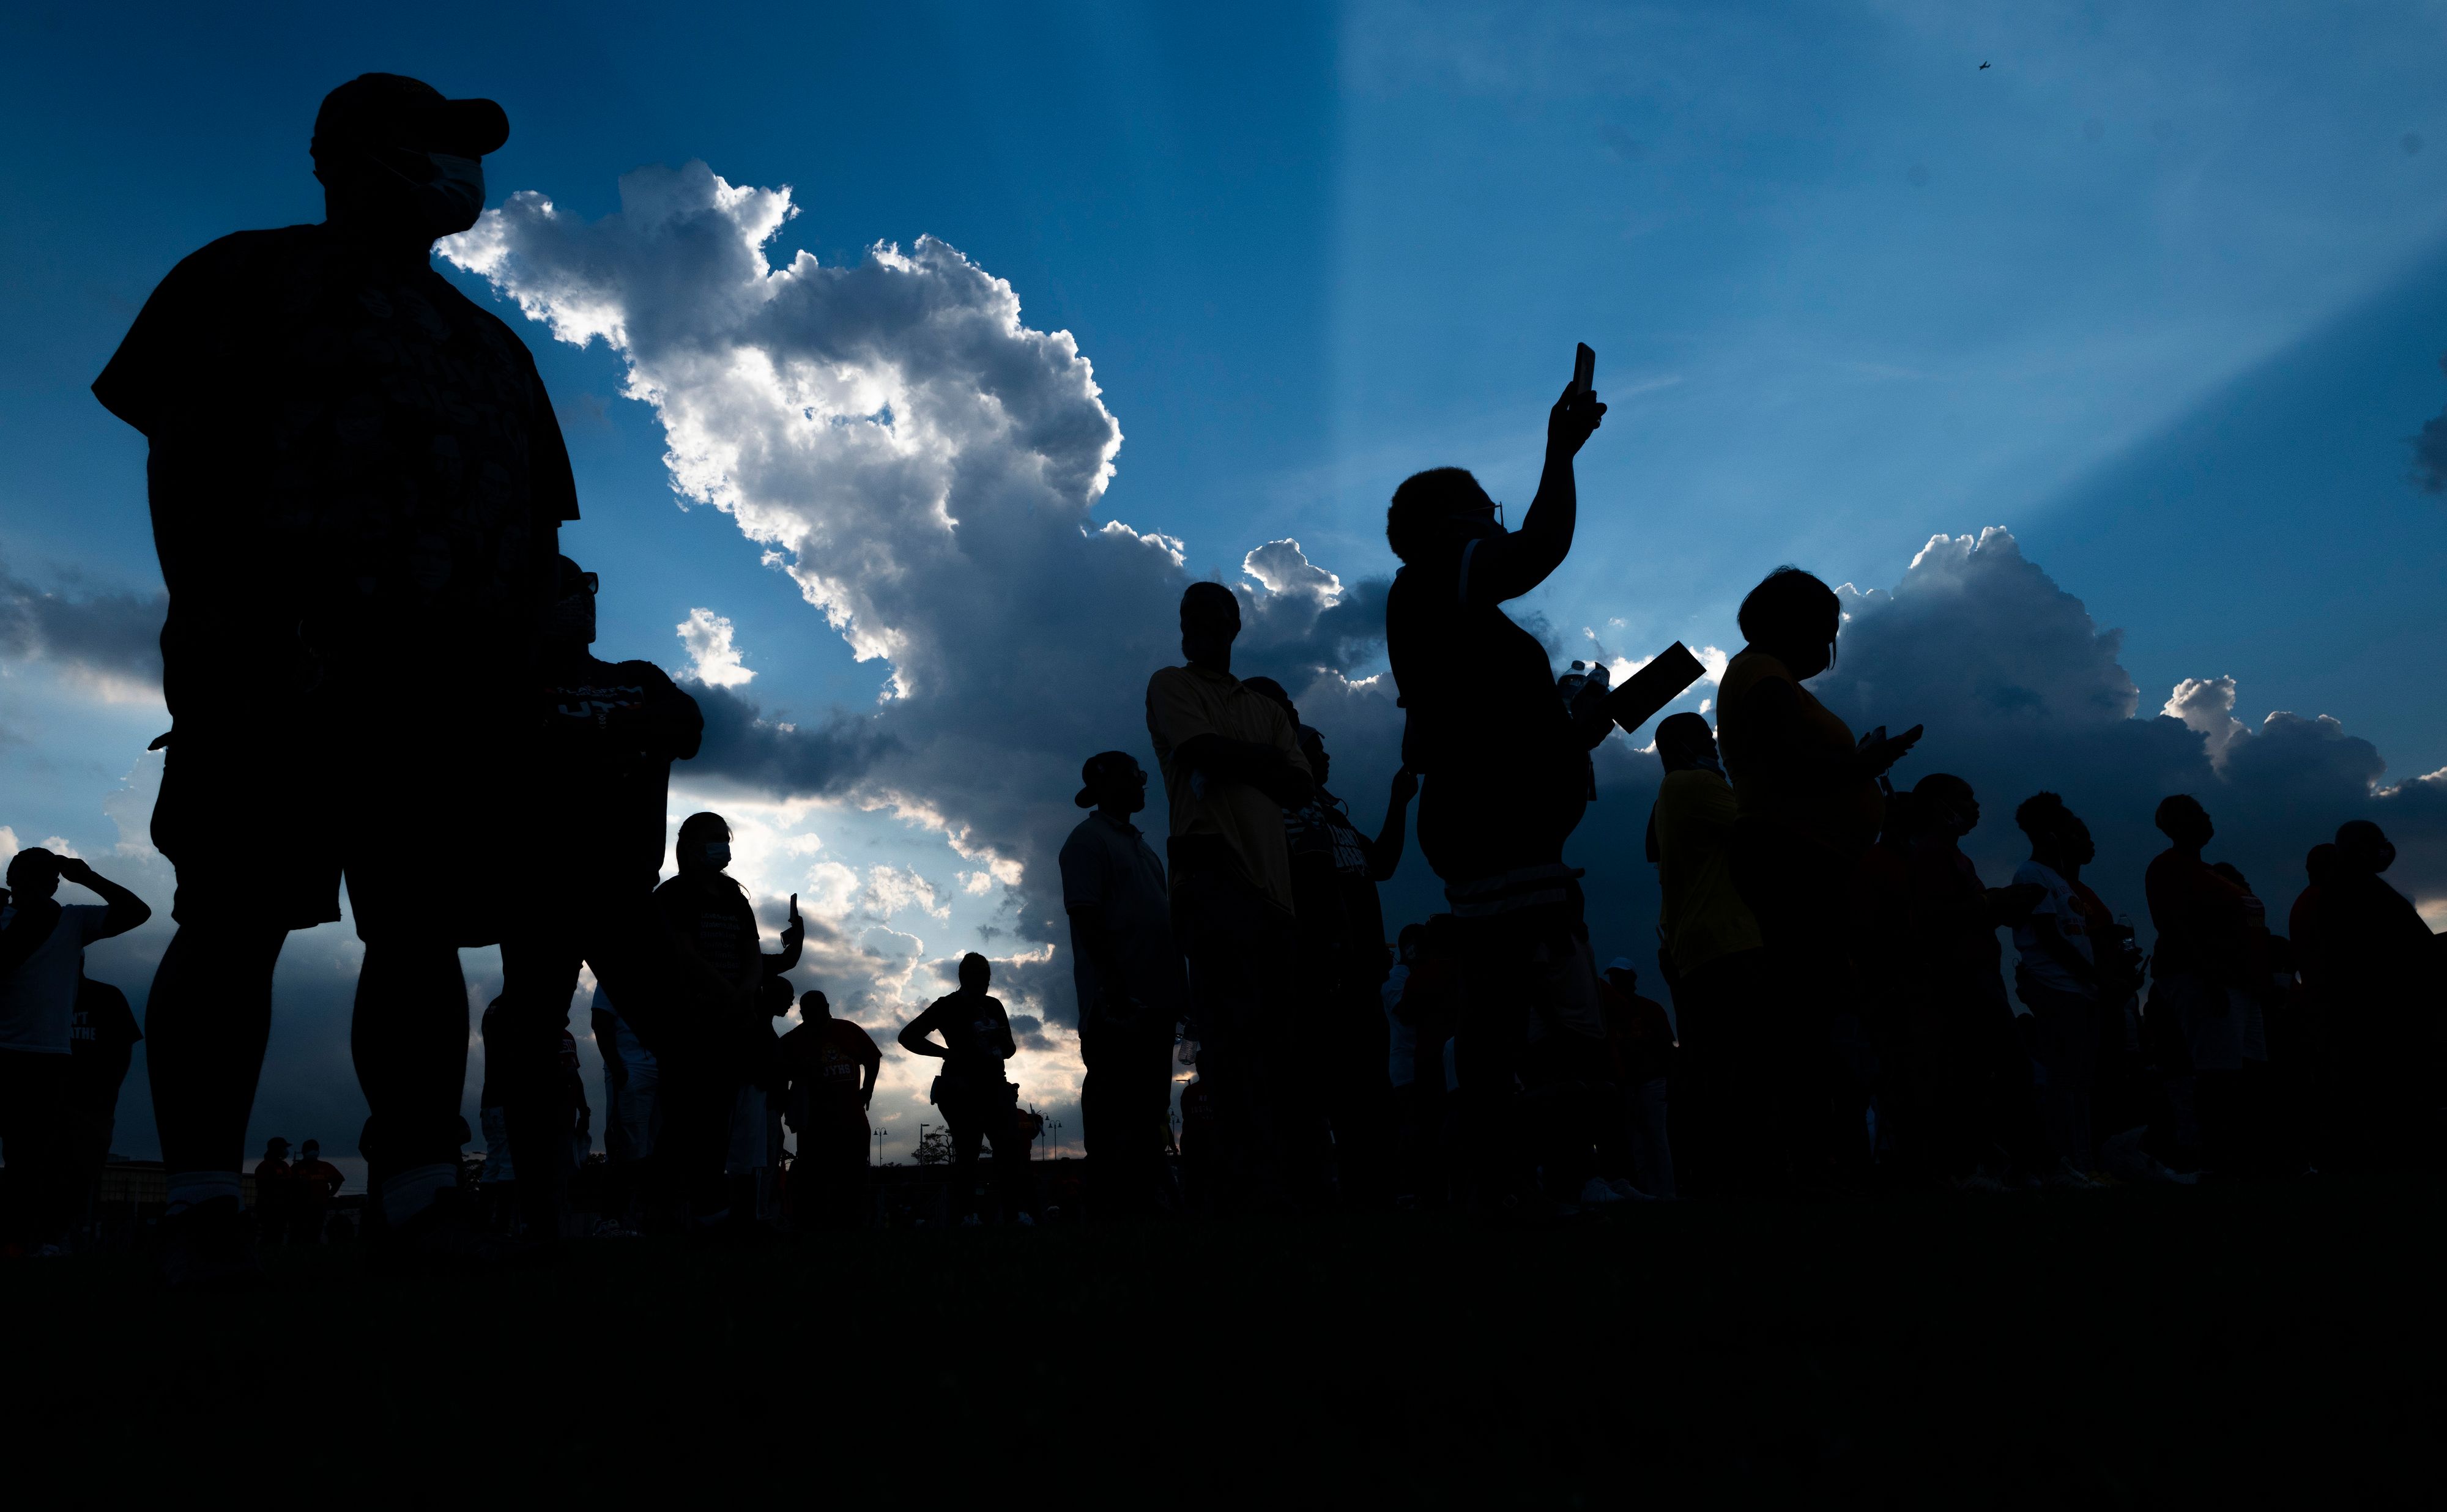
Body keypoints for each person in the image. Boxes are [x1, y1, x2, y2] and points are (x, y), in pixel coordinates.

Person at [94, 75, 579, 1284]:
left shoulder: (491, 348)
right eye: (436, 143)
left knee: (419, 937)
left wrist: (541, 660)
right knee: (235, 916)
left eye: (467, 151)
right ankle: (200, 1197)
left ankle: (420, 1191)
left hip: (448, 702)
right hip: (273, 665)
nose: (461, 172)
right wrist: (210, 618)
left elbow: (543, 548)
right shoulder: (243, 278)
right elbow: (183, 453)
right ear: (352, 150)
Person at [1379, 368, 1615, 1212]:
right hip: (1496, 821)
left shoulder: (1436, 614)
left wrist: (1566, 730)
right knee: (1529, 1003)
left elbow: (1451, 722)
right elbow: (1542, 549)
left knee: (1514, 1001)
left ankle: (1515, 1172)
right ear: (1453, 525)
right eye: (1489, 514)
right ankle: (1533, 1171)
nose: (1498, 525)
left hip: (1496, 819)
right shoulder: (1439, 577)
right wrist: (1561, 448)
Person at [496, 554, 704, 1242]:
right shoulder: (510, 680)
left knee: (689, 1046)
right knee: (529, 1055)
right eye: (564, 587)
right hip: (540, 892)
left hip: (622, 893)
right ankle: (541, 1214)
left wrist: (577, 730)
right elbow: (500, 735)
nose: (582, 598)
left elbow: (687, 726)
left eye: (587, 585)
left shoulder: (635, 676)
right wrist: (615, 733)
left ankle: (668, 1199)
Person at [1714, 569, 1920, 1185]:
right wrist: (1865, 763)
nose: (1829, 644)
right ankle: (1814, 1156)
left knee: (1810, 1009)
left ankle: (1817, 1152)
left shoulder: (1763, 678)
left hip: (1801, 856)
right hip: (1791, 858)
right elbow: (1793, 768)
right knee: (1807, 1016)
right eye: (1825, 629)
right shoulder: (1764, 677)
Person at [1145, 583, 1314, 1211]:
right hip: (1213, 876)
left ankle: (1286, 1180)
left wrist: (1237, 759)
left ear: (1235, 626)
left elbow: (1300, 784)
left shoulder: (1260, 705)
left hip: (1275, 892)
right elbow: (1198, 750)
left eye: (1216, 618)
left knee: (1280, 1046)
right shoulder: (1171, 684)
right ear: (1182, 626)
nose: (1204, 628)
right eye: (1192, 617)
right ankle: (1244, 1185)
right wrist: (1263, 760)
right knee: (1230, 1042)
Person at [1279, 726, 1416, 1209]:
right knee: (1341, 1084)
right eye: (1315, 747)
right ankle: (1345, 1190)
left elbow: (1382, 865)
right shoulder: (1289, 817)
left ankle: (1373, 1187)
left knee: (1369, 1083)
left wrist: (1399, 802)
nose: (1326, 754)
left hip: (1363, 972)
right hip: (1329, 969)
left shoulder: (1335, 820)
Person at [653, 813, 801, 1237]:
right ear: (690, 844)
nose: (723, 845)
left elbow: (753, 952)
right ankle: (664, 1211)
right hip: (690, 1021)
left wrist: (745, 992)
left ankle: (710, 1212)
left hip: (732, 1024)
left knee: (717, 1118)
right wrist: (728, 992)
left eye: (726, 838)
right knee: (683, 1120)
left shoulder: (735, 896)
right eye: (715, 838)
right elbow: (682, 953)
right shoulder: (673, 895)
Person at [1059, 751, 1191, 1218]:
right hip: (1119, 1006)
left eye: (1141, 775)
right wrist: (1113, 985)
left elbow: (1165, 924)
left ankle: (1143, 1200)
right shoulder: (1088, 841)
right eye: (1131, 776)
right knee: (1116, 1108)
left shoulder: (1143, 846)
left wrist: (1182, 991)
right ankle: (1114, 1205)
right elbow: (1086, 914)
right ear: (1104, 784)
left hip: (1157, 1002)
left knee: (1150, 1109)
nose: (1141, 783)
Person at [0, 849, 152, 1256]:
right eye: (31, 877)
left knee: (29, 1159)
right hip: (35, 1054)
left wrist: (88, 878)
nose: (37, 885)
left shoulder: (70, 920)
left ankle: (22, 1240)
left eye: (45, 878)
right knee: (27, 1158)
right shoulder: (30, 920)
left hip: (45, 1056)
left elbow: (137, 911)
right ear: (13, 878)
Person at [1646, 713, 1773, 1196]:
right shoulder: (1697, 784)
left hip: (1695, 948)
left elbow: (1650, 848)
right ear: (1681, 748)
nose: (1715, 746)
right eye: (1704, 740)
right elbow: (1760, 829)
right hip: (1731, 941)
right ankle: (1751, 1173)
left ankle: (1715, 1178)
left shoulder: (1670, 794)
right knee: (1749, 1064)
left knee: (1714, 1066)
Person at [1907, 775, 2045, 1188]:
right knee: (2005, 1069)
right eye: (1965, 798)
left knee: (1981, 1072)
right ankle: (2004, 1165)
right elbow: (1936, 918)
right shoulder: (1931, 853)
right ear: (1939, 806)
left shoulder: (1955, 855)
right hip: (1962, 975)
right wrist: (1994, 902)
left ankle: (1986, 1165)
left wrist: (2001, 906)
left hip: (1979, 971)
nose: (1975, 805)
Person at [2143, 795, 2256, 1175]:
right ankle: (2217, 1160)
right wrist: (2208, 977)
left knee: (2233, 1070)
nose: (2207, 819)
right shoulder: (2168, 867)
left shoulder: (2206, 870)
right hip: (2202, 976)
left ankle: (2233, 1154)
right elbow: (2175, 925)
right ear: (2177, 825)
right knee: (2217, 1071)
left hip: (2230, 978)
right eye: (2197, 814)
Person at [2317, 821, 2440, 1168]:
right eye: (2376, 843)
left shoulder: (2357, 889)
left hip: (2388, 1011)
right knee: (2389, 1094)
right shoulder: (2351, 892)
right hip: (2382, 1015)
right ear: (2358, 848)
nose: (2386, 849)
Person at [2010, 793, 2113, 1183]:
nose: (2080, 840)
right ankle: (2065, 1161)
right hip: (2058, 987)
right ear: (2051, 836)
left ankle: (2082, 1161)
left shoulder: (2058, 880)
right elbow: (2051, 939)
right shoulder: (2032, 875)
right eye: (2072, 832)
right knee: (2065, 1079)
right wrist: (2095, 976)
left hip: (2078, 989)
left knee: (2080, 1080)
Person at [899, 954, 1034, 1225]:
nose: (985, 980)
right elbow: (907, 1037)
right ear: (964, 977)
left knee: (1009, 1149)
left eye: (986, 975)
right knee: (968, 1151)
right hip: (962, 1087)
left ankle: (1013, 1213)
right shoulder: (946, 1006)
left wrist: (999, 1040)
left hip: (994, 1083)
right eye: (979, 974)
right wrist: (948, 1054)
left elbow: (1009, 1049)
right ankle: (967, 1215)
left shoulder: (993, 1005)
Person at [779, 988, 882, 1229]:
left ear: (827, 1007)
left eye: (819, 1009)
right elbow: (778, 1070)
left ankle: (851, 1225)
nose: (815, 1015)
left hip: (852, 1123)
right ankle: (821, 1226)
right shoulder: (794, 1039)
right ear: (803, 1014)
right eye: (810, 1012)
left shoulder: (848, 1030)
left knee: (853, 1180)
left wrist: (868, 1089)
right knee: (818, 1181)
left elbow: (873, 1058)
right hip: (816, 1127)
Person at [66, 973, 143, 1231]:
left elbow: (124, 1047)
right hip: (74, 1102)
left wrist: (110, 1092)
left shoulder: (106, 996)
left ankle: (69, 1232)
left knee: (84, 1170)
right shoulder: (106, 995)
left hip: (92, 1104)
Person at [1598, 960, 1675, 1200]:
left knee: (1653, 1137)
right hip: (1628, 1084)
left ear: (1631, 979)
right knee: (1641, 1139)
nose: (1616, 982)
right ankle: (1650, 1192)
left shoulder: (1650, 1009)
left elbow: (1666, 1048)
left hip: (1649, 1081)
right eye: (1614, 977)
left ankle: (1663, 1192)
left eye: (1620, 976)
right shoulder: (1611, 1013)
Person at [590, 985, 659, 1236]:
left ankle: (638, 1216)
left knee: (650, 1149)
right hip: (631, 1067)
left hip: (652, 1068)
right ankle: (611, 1218)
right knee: (623, 1147)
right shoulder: (614, 971)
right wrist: (619, 1069)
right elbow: (600, 1021)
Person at [291, 1140, 346, 1245]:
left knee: (315, 1232)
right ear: (304, 1152)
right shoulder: (296, 1168)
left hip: (319, 1206)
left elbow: (338, 1180)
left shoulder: (325, 1166)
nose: (314, 1152)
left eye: (316, 1149)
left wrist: (331, 1193)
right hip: (300, 1207)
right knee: (299, 1234)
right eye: (311, 1150)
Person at [251, 1138, 295, 1250]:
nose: (286, 1150)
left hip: (282, 1207)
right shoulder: (265, 1166)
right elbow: (264, 1187)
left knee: (278, 1235)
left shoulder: (284, 1165)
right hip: (269, 1208)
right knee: (270, 1235)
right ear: (277, 1149)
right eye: (284, 1148)